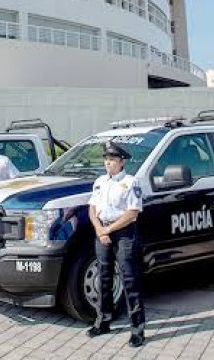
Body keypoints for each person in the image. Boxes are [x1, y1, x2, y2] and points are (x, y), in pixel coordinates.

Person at [87, 142, 146, 348]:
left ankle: (137, 329)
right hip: (102, 232)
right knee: (103, 277)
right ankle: (103, 321)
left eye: (112, 160)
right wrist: (99, 230)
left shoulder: (131, 182)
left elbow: (132, 213)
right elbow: (92, 209)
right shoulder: (100, 181)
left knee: (130, 279)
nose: (107, 163)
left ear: (121, 162)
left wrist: (108, 231)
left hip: (123, 234)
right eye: (106, 159)